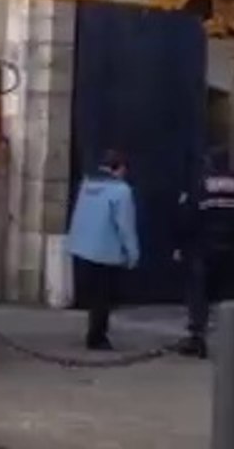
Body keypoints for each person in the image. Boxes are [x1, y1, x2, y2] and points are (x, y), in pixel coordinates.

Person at [172, 147, 234, 359]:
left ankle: (197, 339)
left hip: (202, 247)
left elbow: (188, 215)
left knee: (198, 294)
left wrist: (181, 245)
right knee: (230, 295)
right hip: (232, 247)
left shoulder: (200, 184)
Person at [66, 149, 140, 351]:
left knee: (94, 297)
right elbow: (125, 225)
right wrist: (133, 254)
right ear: (120, 169)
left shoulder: (87, 185)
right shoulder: (121, 191)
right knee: (103, 298)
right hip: (106, 251)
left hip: (82, 248)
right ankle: (97, 337)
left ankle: (95, 332)